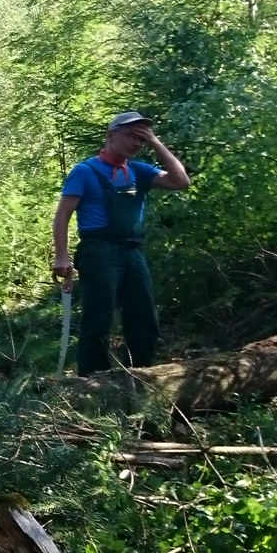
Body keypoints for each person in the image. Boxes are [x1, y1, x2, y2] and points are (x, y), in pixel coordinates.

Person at [51, 111, 191, 375]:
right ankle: (92, 382)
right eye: (131, 135)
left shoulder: (139, 171)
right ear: (111, 135)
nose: (136, 143)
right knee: (99, 319)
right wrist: (62, 256)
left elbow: (181, 181)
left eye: (142, 138)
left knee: (144, 317)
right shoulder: (85, 171)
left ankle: (142, 377)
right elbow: (62, 216)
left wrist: (156, 143)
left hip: (132, 252)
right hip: (99, 251)